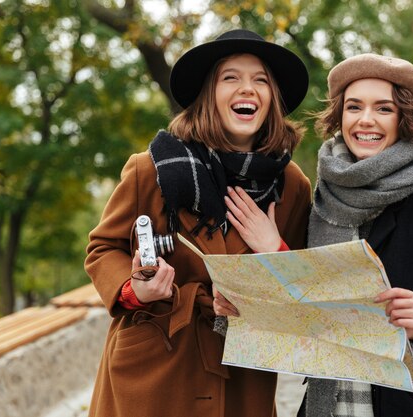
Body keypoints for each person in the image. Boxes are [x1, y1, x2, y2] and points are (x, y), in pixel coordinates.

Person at [215, 53, 413, 417]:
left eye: (383, 109)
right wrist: (245, 305)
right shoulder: (327, 196)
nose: (365, 120)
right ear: (339, 116)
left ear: (406, 118)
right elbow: (316, 306)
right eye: (354, 107)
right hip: (331, 402)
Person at [84, 29, 312, 417]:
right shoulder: (151, 169)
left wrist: (274, 252)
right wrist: (136, 291)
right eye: (231, 78)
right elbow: (103, 248)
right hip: (153, 369)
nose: (248, 89)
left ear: (272, 98)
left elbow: (304, 291)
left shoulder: (291, 185)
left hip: (241, 377)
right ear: (209, 94)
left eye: (260, 80)